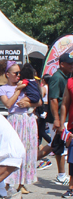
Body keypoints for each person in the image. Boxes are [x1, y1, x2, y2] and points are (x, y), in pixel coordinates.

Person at [0, 60, 38, 193]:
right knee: (12, 150)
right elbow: (8, 104)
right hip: (14, 120)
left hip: (27, 119)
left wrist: (28, 103)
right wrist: (17, 91)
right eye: (16, 73)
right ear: (7, 74)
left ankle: (22, 182)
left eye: (20, 73)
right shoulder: (2, 89)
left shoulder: (26, 84)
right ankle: (9, 181)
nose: (18, 75)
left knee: (27, 150)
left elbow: (39, 101)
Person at [38, 53, 73, 184]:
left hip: (64, 117)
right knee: (59, 147)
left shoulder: (68, 76)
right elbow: (53, 100)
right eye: (69, 63)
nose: (72, 66)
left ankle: (28, 162)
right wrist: (57, 119)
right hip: (57, 118)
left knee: (55, 145)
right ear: (62, 64)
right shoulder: (57, 78)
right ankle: (61, 175)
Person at [59, 76, 73, 198]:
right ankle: (71, 188)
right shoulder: (70, 82)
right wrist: (62, 124)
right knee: (72, 158)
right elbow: (64, 104)